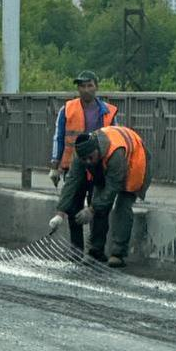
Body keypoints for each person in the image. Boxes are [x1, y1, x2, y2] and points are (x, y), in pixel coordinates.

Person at [50, 125, 151, 268]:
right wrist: (60, 213)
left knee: (122, 206)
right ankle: (95, 252)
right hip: (109, 165)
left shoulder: (115, 153)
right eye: (85, 160)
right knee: (97, 203)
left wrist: (91, 210)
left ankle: (118, 254)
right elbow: (71, 182)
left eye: (91, 158)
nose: (88, 162)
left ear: (97, 150)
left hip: (136, 163)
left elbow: (112, 188)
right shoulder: (81, 156)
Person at [48, 70, 118, 252]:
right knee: (73, 208)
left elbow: (115, 138)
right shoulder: (68, 109)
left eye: (89, 85)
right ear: (78, 89)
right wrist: (55, 165)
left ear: (96, 87)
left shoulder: (108, 112)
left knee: (99, 208)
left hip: (99, 168)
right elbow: (59, 137)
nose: (86, 90)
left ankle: (96, 250)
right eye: (82, 86)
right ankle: (76, 249)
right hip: (75, 166)